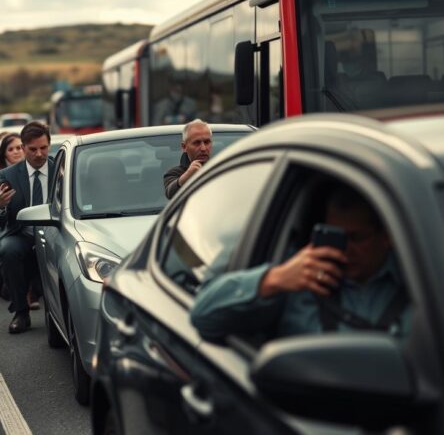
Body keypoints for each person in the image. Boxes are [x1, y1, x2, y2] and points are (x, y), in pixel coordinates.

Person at [190, 185, 410, 343]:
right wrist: (273, 280)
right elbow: (203, 316)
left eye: (357, 238)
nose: (346, 249)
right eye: (336, 236)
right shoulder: (295, 275)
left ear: (387, 236)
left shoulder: (420, 277)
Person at [0, 121, 53, 333]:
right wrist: (0, 205)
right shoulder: (8, 175)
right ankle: (21, 312)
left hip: (54, 231)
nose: (38, 154)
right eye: (33, 149)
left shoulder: (60, 170)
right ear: (23, 148)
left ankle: (58, 312)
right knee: (8, 249)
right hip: (22, 233)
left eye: (43, 148)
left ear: (49, 145)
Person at [163, 119, 212, 199]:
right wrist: (188, 175)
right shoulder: (174, 174)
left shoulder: (222, 168)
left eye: (207, 142)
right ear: (184, 147)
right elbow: (170, 194)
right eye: (196, 143)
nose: (203, 148)